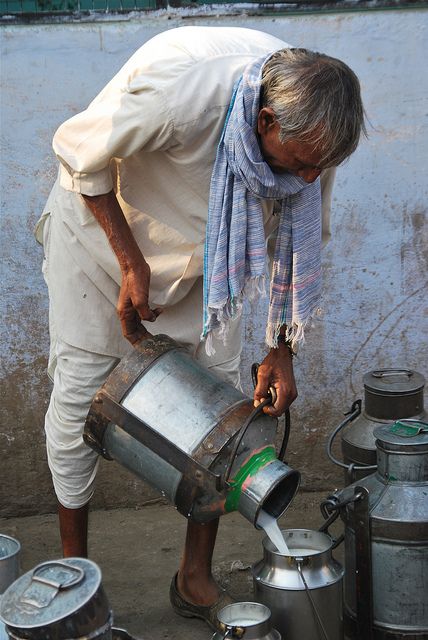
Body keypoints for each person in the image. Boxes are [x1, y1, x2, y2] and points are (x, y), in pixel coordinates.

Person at [36, 25, 365, 631]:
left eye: (323, 166)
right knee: (80, 399)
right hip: (101, 249)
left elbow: (303, 241)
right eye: (304, 164)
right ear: (265, 121)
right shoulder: (184, 94)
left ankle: (194, 577)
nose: (311, 180)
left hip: (217, 269)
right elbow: (78, 150)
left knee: (224, 416)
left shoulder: (315, 135)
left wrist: (280, 349)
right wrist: (130, 262)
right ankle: (73, 579)